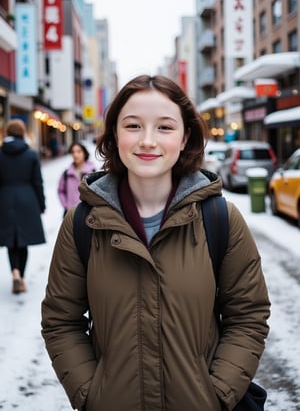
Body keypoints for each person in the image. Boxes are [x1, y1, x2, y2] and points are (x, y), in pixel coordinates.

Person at [41, 75, 270, 411]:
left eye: (164, 127)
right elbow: (61, 321)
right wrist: (90, 394)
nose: (148, 141)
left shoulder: (221, 219)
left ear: (185, 137)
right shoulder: (81, 223)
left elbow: (248, 315)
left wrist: (218, 393)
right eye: (133, 126)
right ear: (115, 134)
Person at [0, 119, 46, 294]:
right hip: (28, 199)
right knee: (23, 241)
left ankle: (15, 272)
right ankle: (22, 277)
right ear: (22, 133)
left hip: (5, 199)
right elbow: (38, 182)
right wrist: (41, 204)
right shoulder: (31, 154)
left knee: (11, 242)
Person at [57, 142, 96, 216]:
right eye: (73, 152)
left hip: (88, 215)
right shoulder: (67, 173)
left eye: (78, 151)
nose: (75, 155)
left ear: (84, 153)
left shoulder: (92, 173)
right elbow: (60, 191)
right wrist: (66, 205)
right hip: (70, 214)